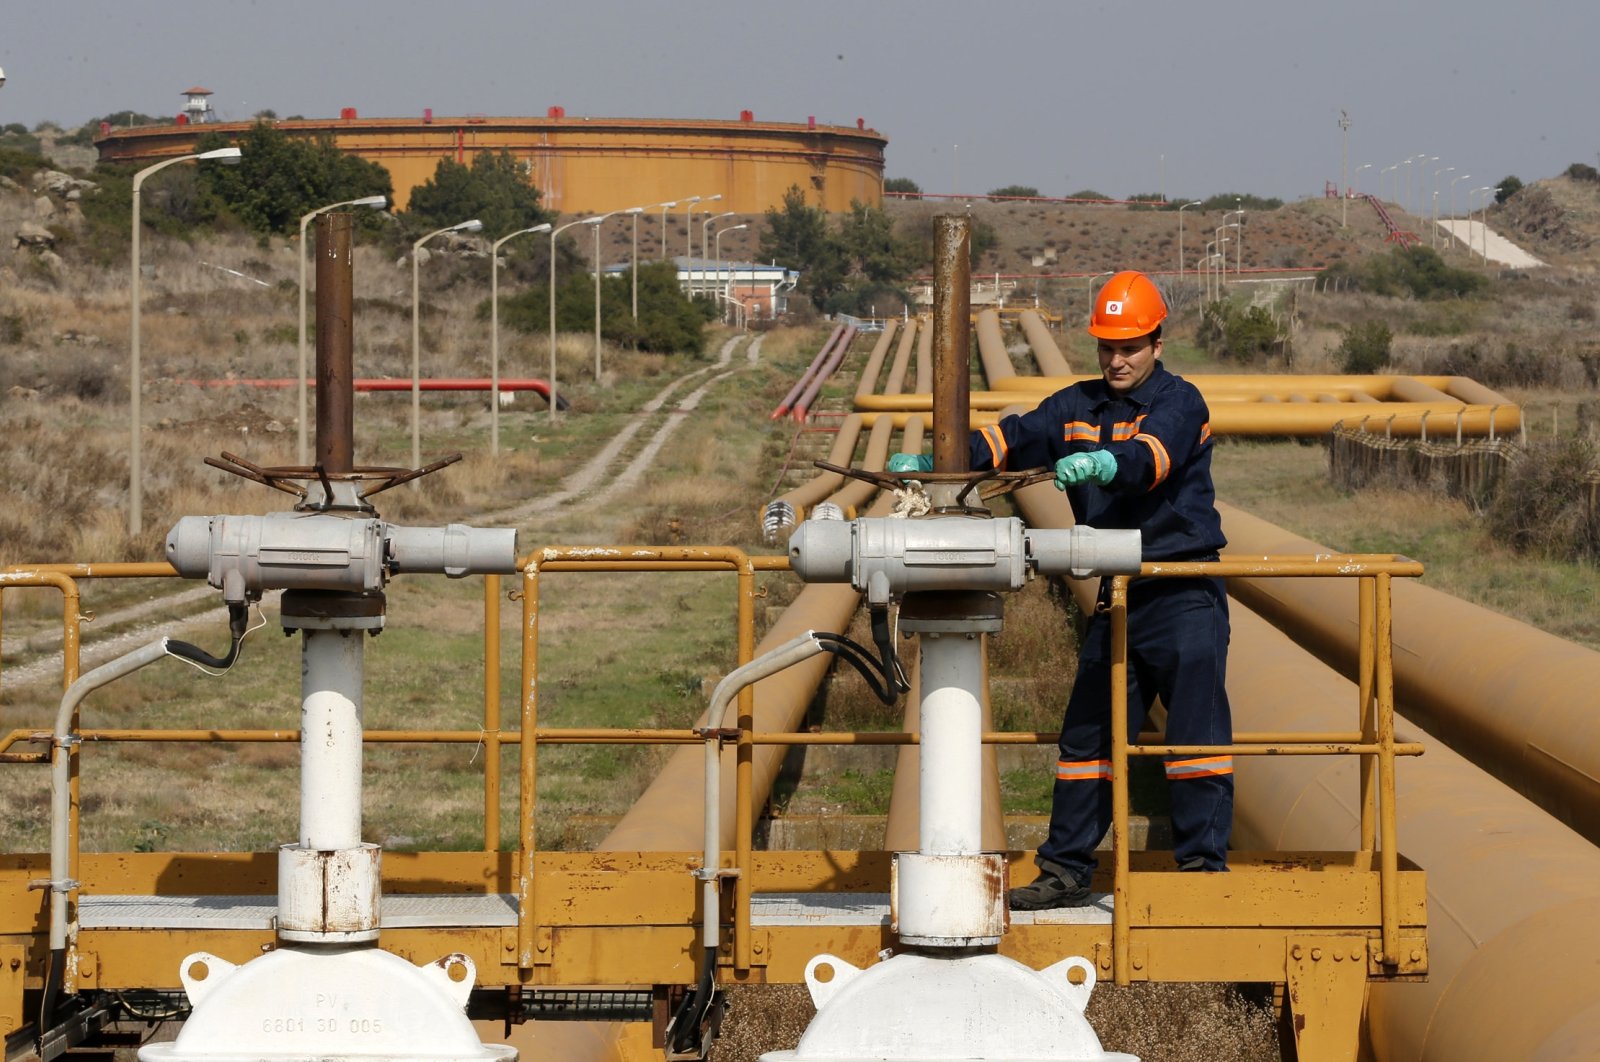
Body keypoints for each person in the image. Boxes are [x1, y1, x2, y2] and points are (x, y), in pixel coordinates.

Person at [889, 270, 1232, 909]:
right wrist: (940, 458)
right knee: (1087, 740)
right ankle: (1068, 870)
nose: (1117, 359)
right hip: (1118, 595)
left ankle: (1201, 876)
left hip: (1183, 589)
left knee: (1193, 740)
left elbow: (1150, 460)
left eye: (1129, 346)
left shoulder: (1181, 403)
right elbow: (1008, 440)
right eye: (1107, 346)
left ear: (1157, 343)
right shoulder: (1075, 406)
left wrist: (1107, 463)